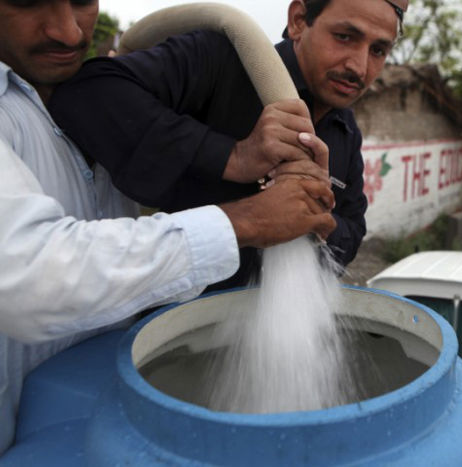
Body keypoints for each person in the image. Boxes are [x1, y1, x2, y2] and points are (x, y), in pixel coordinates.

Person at [0, 0, 336, 454]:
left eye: (82, 2)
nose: (69, 33)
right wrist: (245, 217)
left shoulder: (69, 95)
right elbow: (28, 275)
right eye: (26, 1)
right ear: (298, 21)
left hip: (86, 420)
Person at [49, 0, 409, 287]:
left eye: (378, 50)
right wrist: (234, 156)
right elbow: (88, 94)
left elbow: (353, 228)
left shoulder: (344, 128)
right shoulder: (221, 61)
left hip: (268, 334)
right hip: (169, 328)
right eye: (345, 36)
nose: (359, 67)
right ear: (299, 19)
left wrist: (321, 221)